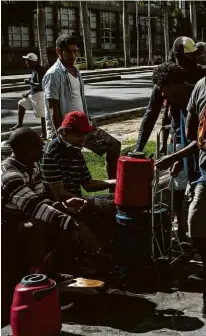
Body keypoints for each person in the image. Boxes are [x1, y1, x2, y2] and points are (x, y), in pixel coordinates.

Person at [1, 127, 101, 285]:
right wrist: (77, 225)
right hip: (7, 223)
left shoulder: (32, 166)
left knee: (61, 217)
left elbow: (41, 199)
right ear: (27, 149)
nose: (43, 146)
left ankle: (63, 268)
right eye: (38, 143)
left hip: (23, 214)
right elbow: (35, 207)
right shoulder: (9, 175)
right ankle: (37, 278)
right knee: (36, 226)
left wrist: (62, 206)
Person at [156, 77, 206, 317]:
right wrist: (180, 159)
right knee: (196, 220)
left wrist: (174, 158)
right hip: (205, 170)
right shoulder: (201, 87)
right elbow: (193, 135)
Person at [42, 34, 121, 180]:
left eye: (75, 51)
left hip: (83, 126)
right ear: (59, 52)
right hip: (67, 131)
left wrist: (88, 120)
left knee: (114, 146)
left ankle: (112, 188)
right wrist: (61, 135)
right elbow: (53, 107)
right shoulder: (54, 74)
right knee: (70, 169)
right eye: (68, 51)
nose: (73, 55)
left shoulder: (76, 72)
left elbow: (78, 100)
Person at [41, 111, 117, 250]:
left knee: (118, 199)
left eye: (85, 135)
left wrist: (117, 182)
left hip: (79, 198)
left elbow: (88, 184)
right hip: (64, 206)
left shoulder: (75, 150)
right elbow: (58, 193)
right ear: (64, 133)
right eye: (79, 135)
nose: (83, 139)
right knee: (107, 207)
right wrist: (89, 202)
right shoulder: (51, 153)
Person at [135, 36, 206, 154]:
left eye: (194, 58)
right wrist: (138, 149)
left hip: (200, 136)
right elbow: (151, 114)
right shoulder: (166, 81)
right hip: (178, 138)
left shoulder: (202, 74)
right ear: (176, 57)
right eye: (186, 59)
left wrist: (191, 89)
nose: (190, 63)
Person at [10, 53, 46, 139]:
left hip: (39, 95)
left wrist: (28, 82)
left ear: (33, 62)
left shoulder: (39, 70)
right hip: (33, 94)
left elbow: (41, 85)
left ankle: (45, 133)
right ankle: (19, 124)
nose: (26, 62)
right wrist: (28, 93)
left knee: (42, 115)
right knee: (21, 104)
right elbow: (35, 85)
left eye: (27, 61)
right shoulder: (34, 70)